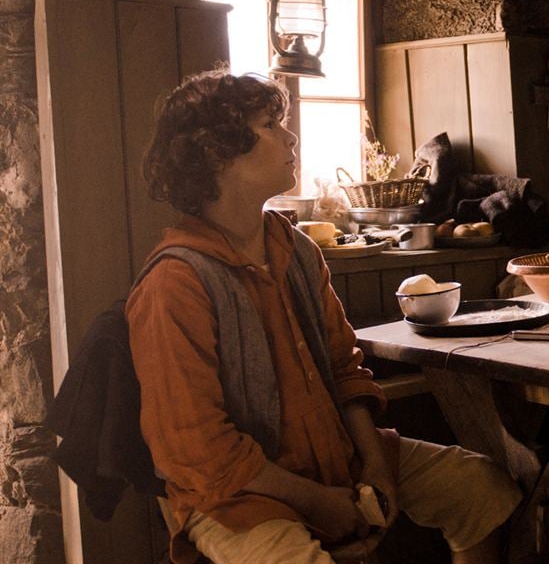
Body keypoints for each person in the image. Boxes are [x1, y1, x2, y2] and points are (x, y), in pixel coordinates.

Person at [128, 69, 522, 564]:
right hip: (239, 496)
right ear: (215, 153)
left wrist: (375, 463)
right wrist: (320, 503)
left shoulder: (295, 249)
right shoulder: (175, 284)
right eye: (271, 124)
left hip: (337, 455)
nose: (289, 135)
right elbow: (197, 449)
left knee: (480, 488)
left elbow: (344, 369)